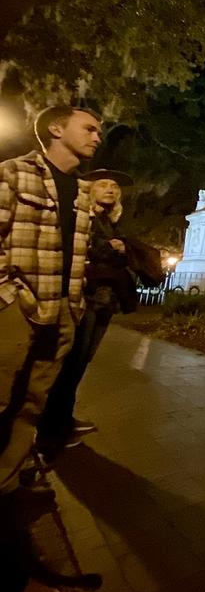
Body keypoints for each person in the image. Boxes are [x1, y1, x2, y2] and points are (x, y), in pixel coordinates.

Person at [1, 105, 102, 592]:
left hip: (61, 313)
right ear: (56, 129)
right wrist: (8, 296)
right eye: (90, 127)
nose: (97, 135)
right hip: (18, 311)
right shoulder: (14, 174)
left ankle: (6, 506)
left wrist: (74, 306)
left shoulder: (82, 193)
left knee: (30, 410)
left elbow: (75, 255)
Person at [36, 169, 138, 457]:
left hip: (105, 300)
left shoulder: (111, 220)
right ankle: (50, 431)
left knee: (81, 363)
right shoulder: (85, 217)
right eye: (103, 185)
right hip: (86, 297)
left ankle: (62, 419)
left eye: (115, 186)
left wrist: (122, 247)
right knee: (70, 361)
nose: (110, 189)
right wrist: (115, 247)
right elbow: (82, 248)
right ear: (90, 190)